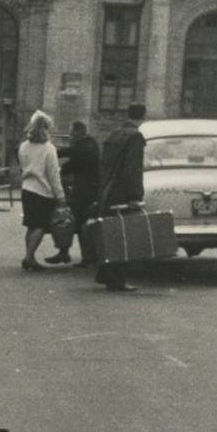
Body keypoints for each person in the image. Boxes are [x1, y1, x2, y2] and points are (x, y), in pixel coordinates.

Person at [95, 102, 149, 292]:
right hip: (123, 192)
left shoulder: (114, 134)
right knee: (125, 236)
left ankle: (106, 275)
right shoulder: (135, 137)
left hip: (109, 190)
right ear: (143, 116)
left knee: (111, 234)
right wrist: (135, 195)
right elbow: (133, 168)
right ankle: (118, 280)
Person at [17, 109, 66, 271]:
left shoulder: (24, 146)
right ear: (47, 128)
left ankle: (29, 254)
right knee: (39, 225)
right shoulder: (48, 148)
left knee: (31, 225)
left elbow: (22, 165)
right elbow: (53, 174)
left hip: (26, 189)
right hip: (42, 191)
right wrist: (60, 195)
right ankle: (29, 257)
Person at [50, 119, 100, 266]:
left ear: (79, 133)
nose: (70, 136)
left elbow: (72, 160)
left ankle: (83, 257)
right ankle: (68, 253)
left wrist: (52, 154)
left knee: (77, 222)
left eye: (71, 133)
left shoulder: (84, 147)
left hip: (85, 192)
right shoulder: (90, 144)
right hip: (87, 190)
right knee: (77, 222)